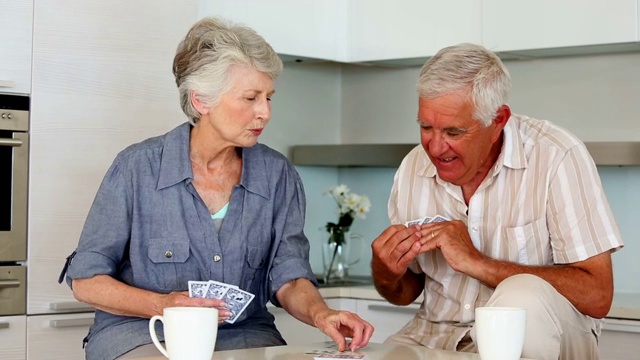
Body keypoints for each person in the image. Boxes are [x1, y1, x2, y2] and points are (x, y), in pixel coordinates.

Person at [59, 17, 373, 360]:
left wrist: (320, 313)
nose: (265, 112)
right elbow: (86, 281)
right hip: (145, 332)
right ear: (201, 101)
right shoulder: (136, 169)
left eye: (269, 97)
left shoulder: (278, 175)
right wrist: (163, 304)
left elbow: (291, 277)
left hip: (244, 336)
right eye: (250, 98)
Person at [370, 43, 623, 360]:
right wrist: (386, 271)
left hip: (547, 343)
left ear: (498, 120)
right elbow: (406, 291)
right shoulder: (412, 167)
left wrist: (476, 262)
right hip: (433, 340)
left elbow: (598, 296)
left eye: (453, 131)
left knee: (522, 295)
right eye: (425, 127)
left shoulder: (557, 155)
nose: (434, 147)